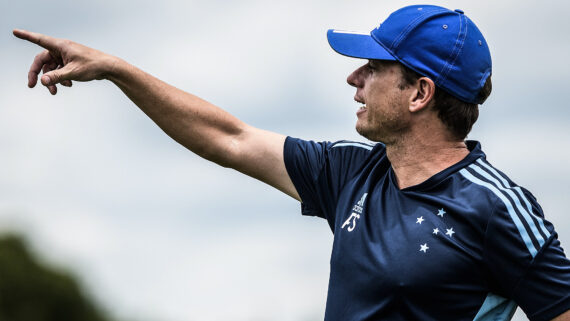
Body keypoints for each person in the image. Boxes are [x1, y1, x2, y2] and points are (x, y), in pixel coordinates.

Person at [13, 4, 570, 321]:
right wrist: (115, 68)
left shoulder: (499, 207)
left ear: (419, 93)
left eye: (373, 68)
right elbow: (227, 137)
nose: (354, 79)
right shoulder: (352, 172)